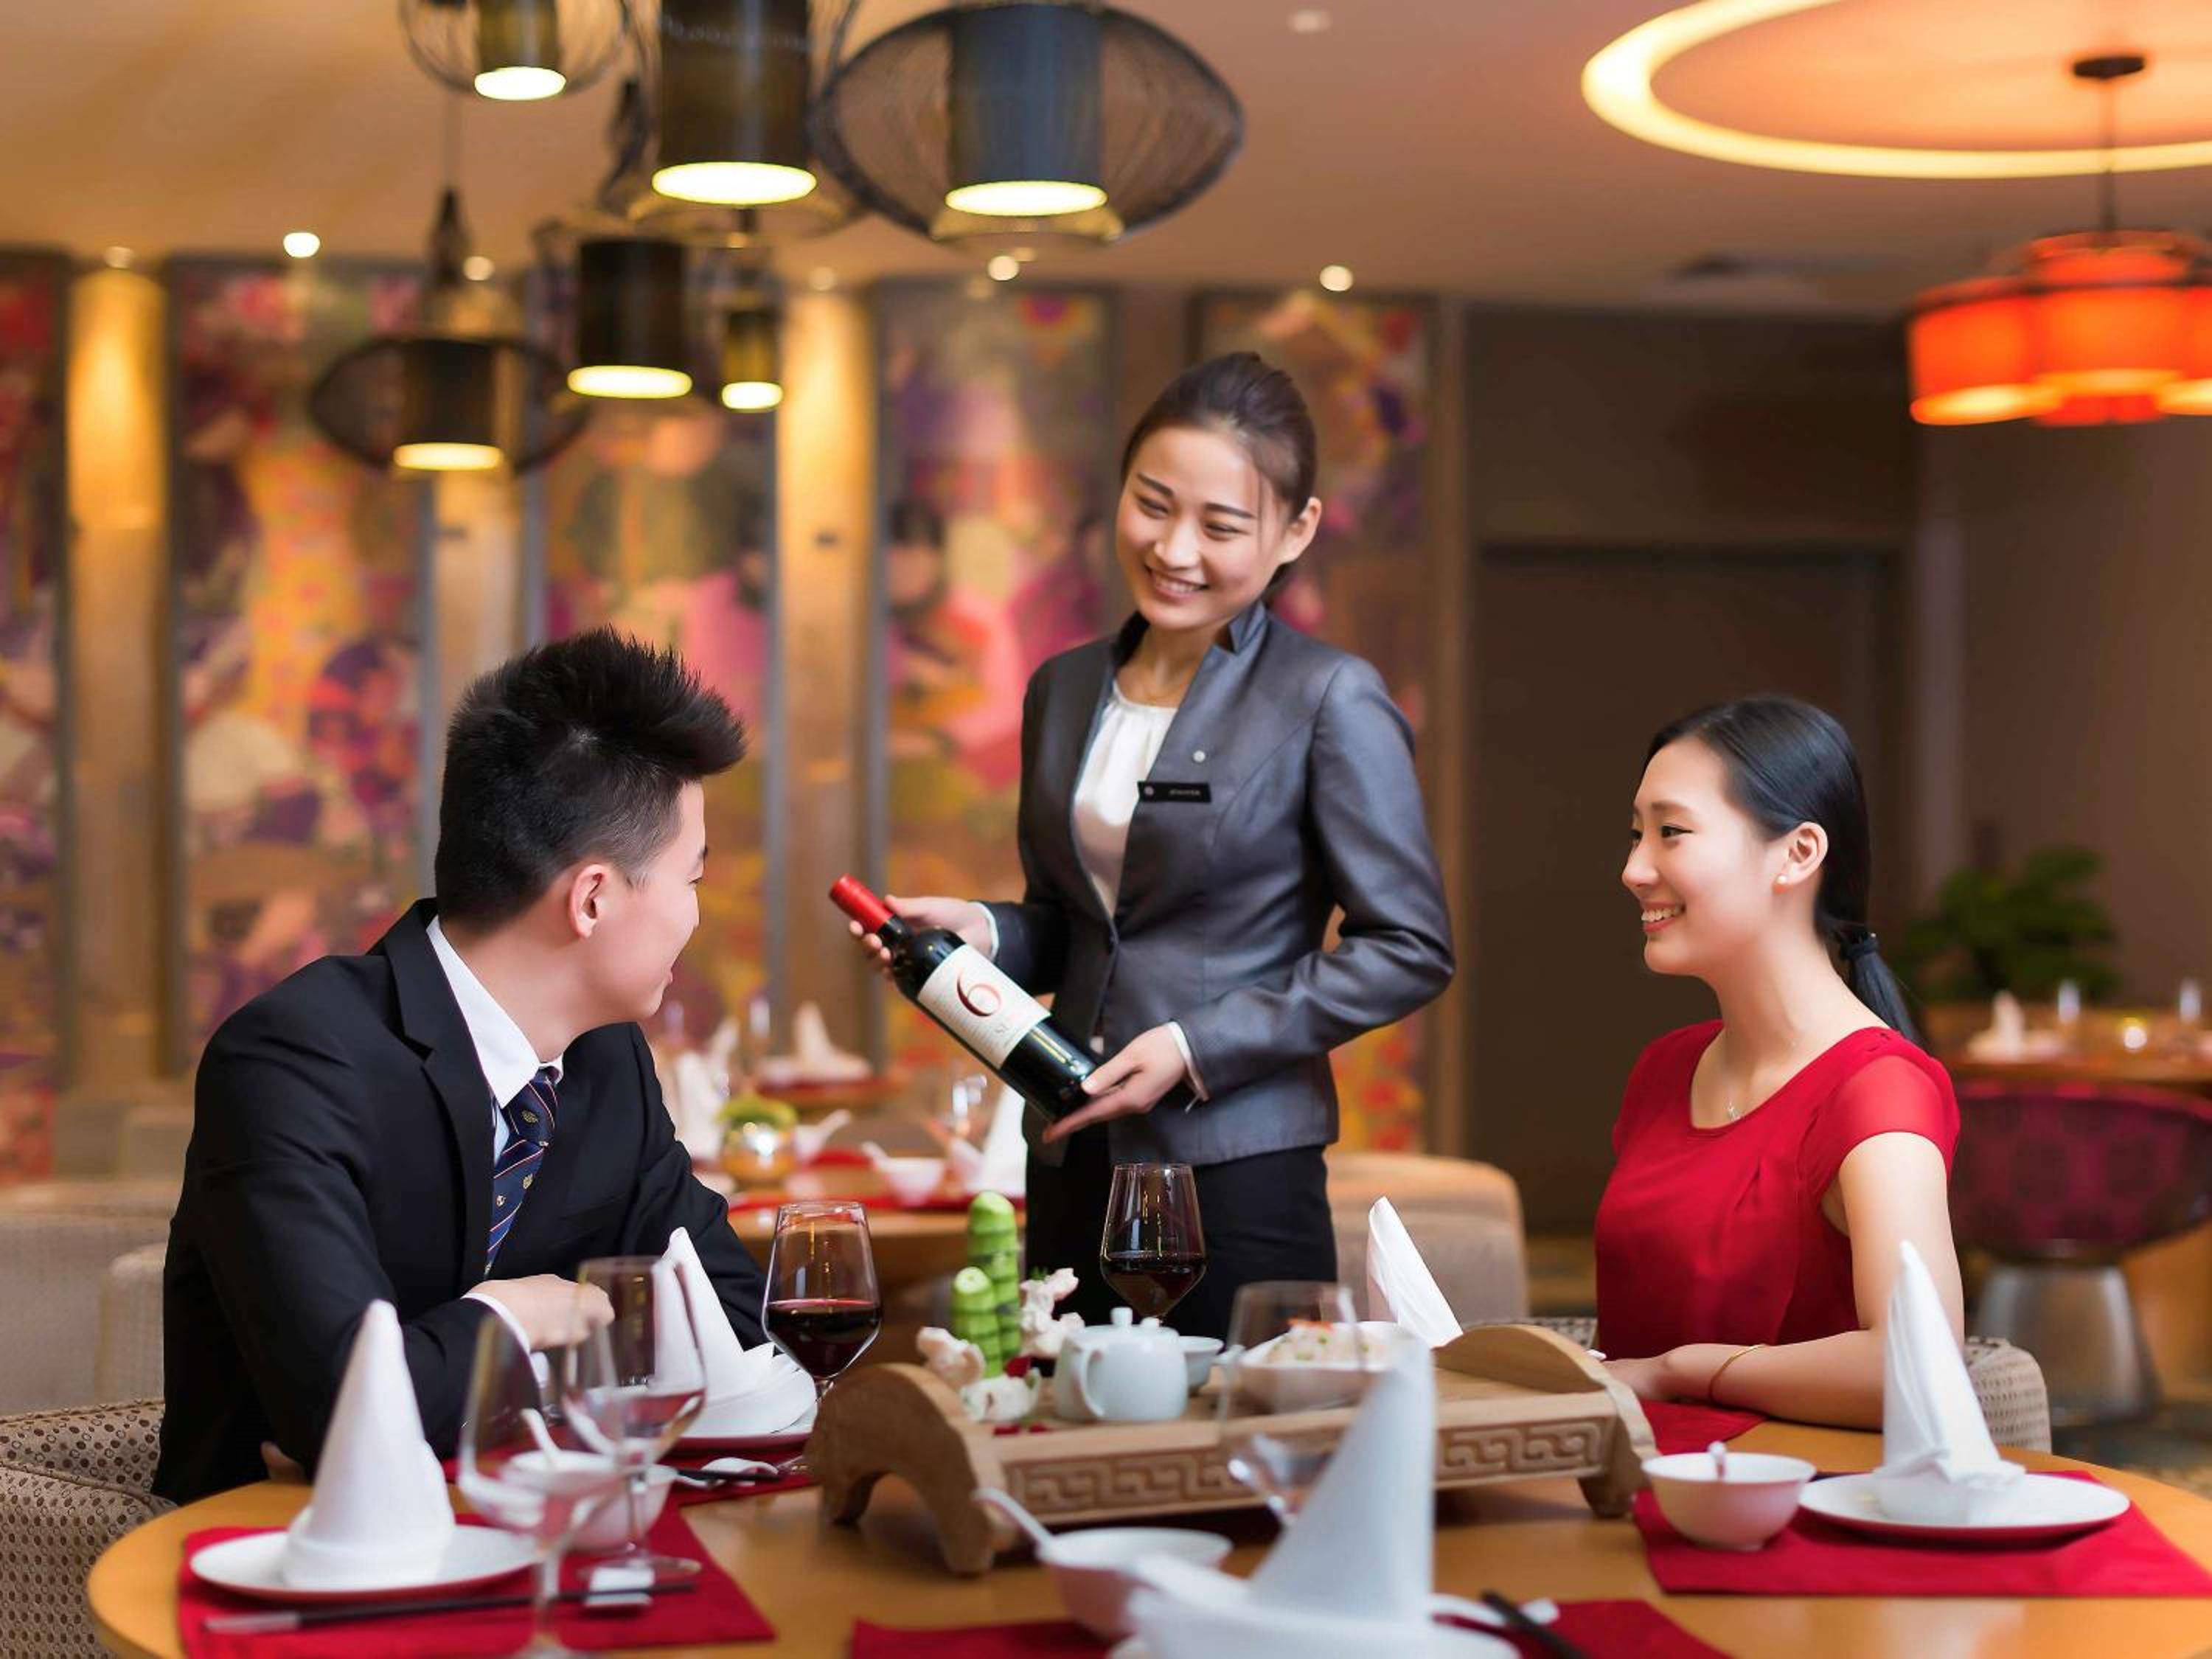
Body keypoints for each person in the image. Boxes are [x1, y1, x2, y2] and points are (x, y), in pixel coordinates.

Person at [855, 353, 1455, 1338]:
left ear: (1296, 529)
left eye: (1221, 526)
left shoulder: (1326, 697)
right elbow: (1079, 927)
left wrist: (1192, 1046)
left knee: (1232, 1427)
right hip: (1071, 1148)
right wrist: (986, 934)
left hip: (1235, 1167)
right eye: (1153, 505)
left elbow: (1411, 947)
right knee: (1063, 1415)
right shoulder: (1063, 688)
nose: (1175, 549)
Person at [155, 629, 768, 1503]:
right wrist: (517, 1318)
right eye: (691, 880)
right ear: (593, 898)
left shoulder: (606, 1059)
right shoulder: (293, 1061)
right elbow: (346, 1412)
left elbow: (732, 1322)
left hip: (526, 1528)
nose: (695, 916)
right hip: (288, 1549)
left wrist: (489, 1369)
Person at [1598, 697, 1962, 1428]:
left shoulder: (1877, 1091)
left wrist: (1677, 1372)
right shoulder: (1665, 1071)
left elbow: (1918, 1365)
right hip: (1630, 1474)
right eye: (1637, 834)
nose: (1634, 869)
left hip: (1793, 1484)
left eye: (1671, 832)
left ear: (1798, 854)